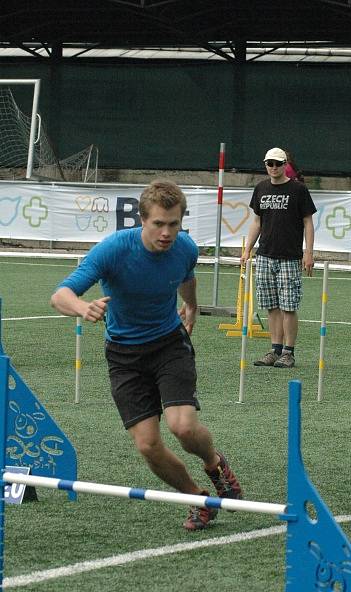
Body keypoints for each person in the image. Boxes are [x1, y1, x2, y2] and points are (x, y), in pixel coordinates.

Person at [51, 180, 242, 532]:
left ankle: (214, 463)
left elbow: (186, 277)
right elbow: (60, 294)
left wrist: (192, 306)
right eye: (158, 224)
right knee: (148, 444)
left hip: (169, 344)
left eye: (174, 223)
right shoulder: (113, 251)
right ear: (142, 220)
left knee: (183, 427)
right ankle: (196, 498)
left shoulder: (185, 248)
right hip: (124, 355)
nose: (167, 233)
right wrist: (82, 306)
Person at [242, 147, 316, 369]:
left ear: (285, 165)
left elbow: (308, 223)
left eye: (277, 163)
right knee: (271, 306)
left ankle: (288, 352)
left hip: (290, 257)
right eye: (269, 163)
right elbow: (257, 222)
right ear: (265, 164)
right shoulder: (261, 188)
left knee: (289, 306)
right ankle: (275, 349)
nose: (273, 167)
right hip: (265, 255)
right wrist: (248, 249)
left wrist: (308, 252)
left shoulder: (298, 190)